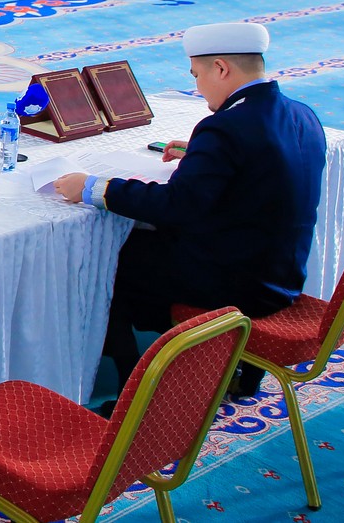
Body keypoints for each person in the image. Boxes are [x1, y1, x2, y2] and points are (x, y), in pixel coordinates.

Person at [54, 22, 327, 394]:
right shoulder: (301, 114)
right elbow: (268, 167)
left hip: (234, 283)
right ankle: (245, 376)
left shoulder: (226, 127)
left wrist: (92, 187)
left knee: (110, 258)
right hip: (281, 271)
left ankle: (133, 387)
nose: (198, 87)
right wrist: (200, 155)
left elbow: (176, 206)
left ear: (221, 68)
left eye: (197, 75)